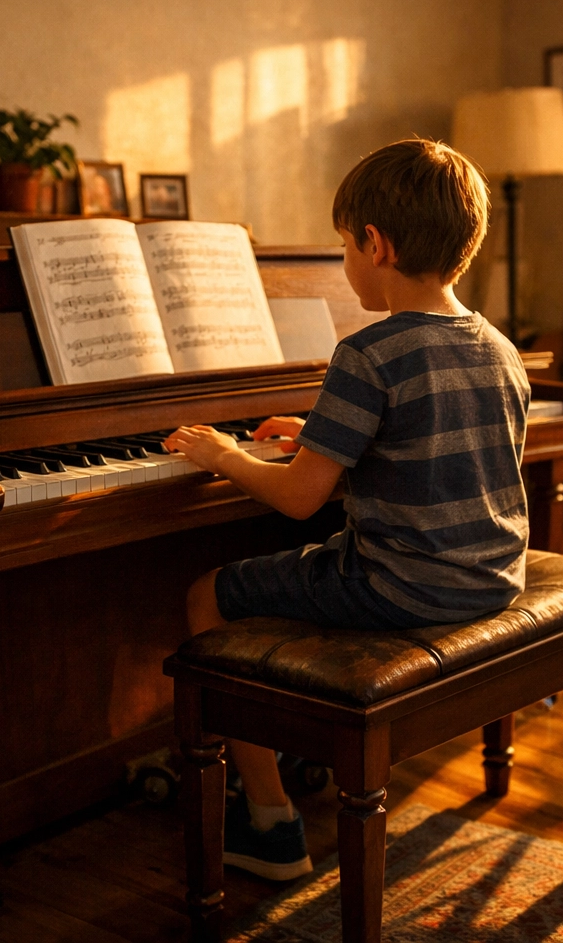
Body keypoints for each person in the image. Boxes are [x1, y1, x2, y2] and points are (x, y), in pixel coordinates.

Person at [163, 138, 533, 880]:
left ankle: (268, 820)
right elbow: (425, 451)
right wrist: (321, 438)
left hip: (398, 588)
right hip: (493, 577)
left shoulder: (368, 353)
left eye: (343, 246)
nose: (345, 262)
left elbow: (301, 500)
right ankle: (286, 753)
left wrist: (222, 456)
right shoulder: (497, 346)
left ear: (375, 243)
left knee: (205, 595)